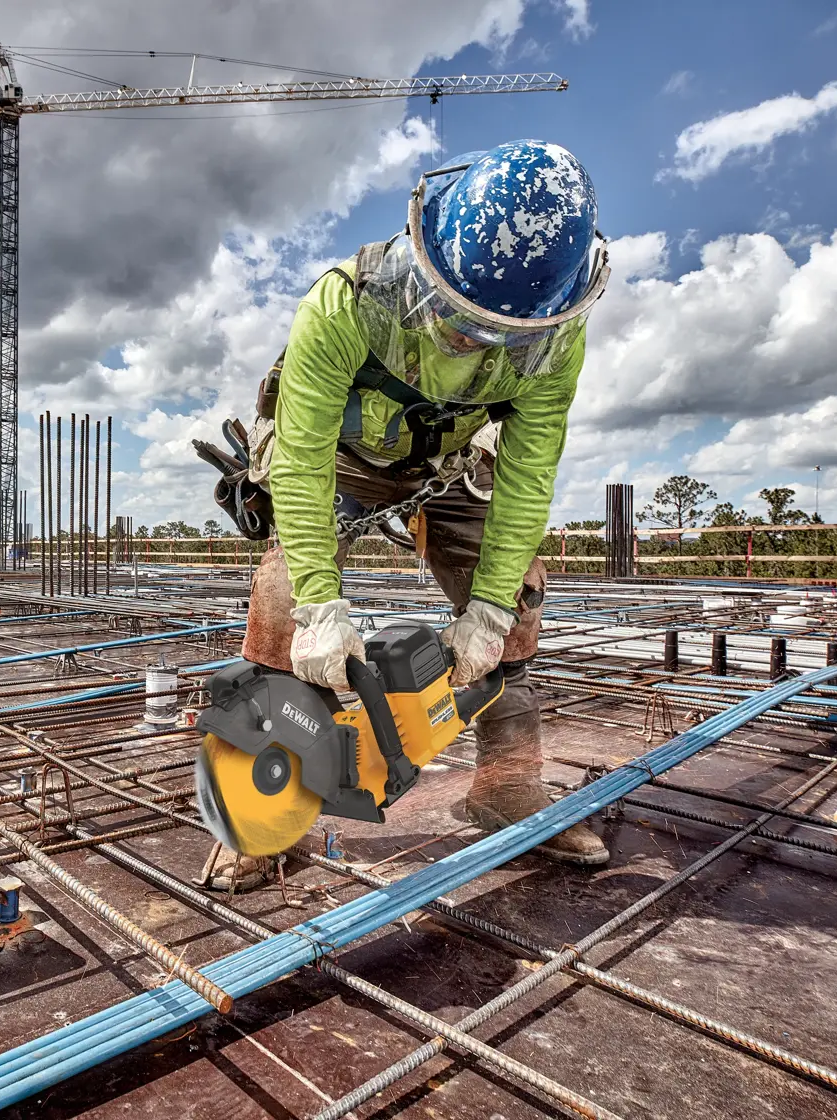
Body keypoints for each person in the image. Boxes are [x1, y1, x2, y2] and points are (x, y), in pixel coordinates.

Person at [204, 141, 611, 891]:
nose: (469, 343)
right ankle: (263, 818)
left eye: (497, 335)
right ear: (425, 264)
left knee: (518, 593)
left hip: (452, 460)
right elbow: (299, 459)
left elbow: (528, 473)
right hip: (344, 456)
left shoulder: (560, 340)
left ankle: (508, 784)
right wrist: (323, 609)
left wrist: (487, 609)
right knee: (284, 602)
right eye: (458, 321)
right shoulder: (343, 303)